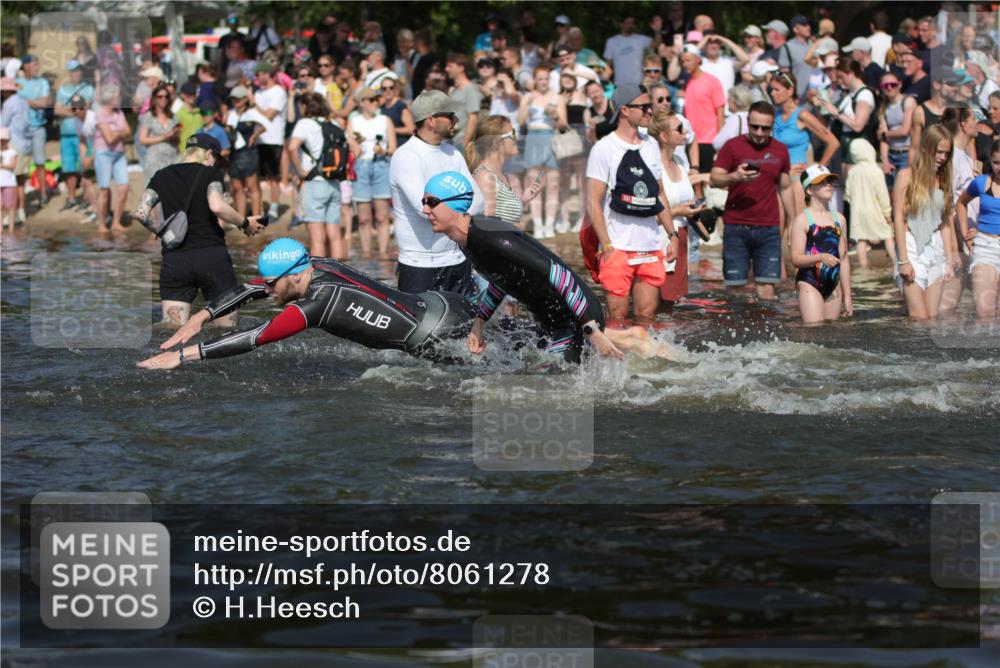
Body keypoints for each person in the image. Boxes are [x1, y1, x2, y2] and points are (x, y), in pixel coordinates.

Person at [137, 238, 477, 370]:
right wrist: (202, 316)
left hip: (439, 336)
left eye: (274, 284)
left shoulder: (317, 304)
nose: (267, 290)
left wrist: (182, 356)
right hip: (442, 304)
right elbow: (249, 287)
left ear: (295, 276)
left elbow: (256, 336)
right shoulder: (316, 263)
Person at [422, 171, 656, 363]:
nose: (425, 210)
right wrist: (478, 325)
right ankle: (631, 338)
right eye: (424, 202)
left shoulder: (489, 237)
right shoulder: (467, 240)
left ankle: (616, 341)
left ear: (456, 204)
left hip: (575, 317)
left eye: (432, 202)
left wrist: (591, 330)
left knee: (550, 383)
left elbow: (559, 274)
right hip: (550, 320)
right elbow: (501, 279)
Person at [133, 134, 265, 326]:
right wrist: (244, 223)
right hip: (212, 257)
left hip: (175, 261)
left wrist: (161, 231)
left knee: (172, 330)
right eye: (217, 159)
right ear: (208, 154)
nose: (216, 164)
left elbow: (140, 213)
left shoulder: (162, 175)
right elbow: (217, 206)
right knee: (225, 332)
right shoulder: (211, 174)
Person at [586, 84, 680, 324]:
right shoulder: (604, 148)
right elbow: (593, 203)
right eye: (645, 106)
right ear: (625, 110)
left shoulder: (650, 146)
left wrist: (672, 236)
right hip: (617, 247)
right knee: (616, 319)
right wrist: (606, 246)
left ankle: (644, 363)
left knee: (647, 318)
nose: (651, 111)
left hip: (649, 246)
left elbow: (659, 195)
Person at [389, 89, 484, 295]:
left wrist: (448, 209)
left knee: (466, 327)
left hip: (458, 258)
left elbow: (478, 201)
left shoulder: (453, 153)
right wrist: (460, 212)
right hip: (419, 264)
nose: (455, 120)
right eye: (449, 116)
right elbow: (424, 209)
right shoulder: (406, 156)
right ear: (431, 120)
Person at [710, 101, 796, 300]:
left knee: (767, 288)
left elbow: (785, 187)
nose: (759, 132)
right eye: (754, 126)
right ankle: (737, 327)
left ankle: (765, 330)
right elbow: (714, 179)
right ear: (747, 122)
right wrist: (734, 177)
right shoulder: (732, 146)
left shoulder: (780, 150)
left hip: (769, 228)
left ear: (772, 126)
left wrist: (792, 221)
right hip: (736, 227)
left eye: (765, 128)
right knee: (735, 288)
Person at [892, 125, 959, 320]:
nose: (942, 158)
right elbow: (898, 218)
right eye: (938, 152)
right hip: (912, 247)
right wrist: (903, 261)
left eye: (946, 153)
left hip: (936, 248)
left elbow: (945, 223)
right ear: (925, 148)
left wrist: (948, 260)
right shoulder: (906, 177)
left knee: (932, 317)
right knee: (919, 317)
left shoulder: (943, 178)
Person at [648, 109, 709, 309]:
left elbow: (684, 202)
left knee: (671, 305)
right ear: (664, 136)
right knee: (654, 306)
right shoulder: (652, 166)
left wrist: (694, 211)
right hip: (659, 241)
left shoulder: (681, 164)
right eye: (680, 129)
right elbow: (645, 216)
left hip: (681, 238)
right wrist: (678, 211)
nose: (685, 132)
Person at [790, 164, 853, 323]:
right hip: (809, 282)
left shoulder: (840, 219)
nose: (829, 184)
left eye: (830, 180)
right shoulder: (802, 220)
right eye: (822, 182)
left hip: (834, 285)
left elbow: (844, 260)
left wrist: (848, 296)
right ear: (809, 190)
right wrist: (820, 257)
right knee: (814, 331)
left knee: (831, 334)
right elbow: (796, 259)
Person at [769, 71, 840, 211]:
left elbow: (833, 142)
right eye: (772, 89)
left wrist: (816, 171)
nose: (772, 93)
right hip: (778, 178)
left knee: (796, 226)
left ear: (790, 90)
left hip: (796, 180)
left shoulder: (802, 115)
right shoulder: (775, 115)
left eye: (776, 89)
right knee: (780, 230)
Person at [467, 115, 541, 232]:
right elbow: (486, 225)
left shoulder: (500, 175)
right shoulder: (485, 176)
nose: (516, 138)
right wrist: (516, 228)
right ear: (496, 143)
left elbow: (501, 215)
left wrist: (523, 200)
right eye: (512, 134)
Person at [939, 107, 980, 316]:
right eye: (974, 118)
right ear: (964, 124)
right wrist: (955, 241)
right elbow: (947, 199)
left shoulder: (964, 156)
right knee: (954, 289)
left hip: (970, 231)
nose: (978, 122)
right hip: (958, 232)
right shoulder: (953, 157)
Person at [349, 87, 397, 260]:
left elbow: (393, 148)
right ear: (362, 103)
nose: (375, 103)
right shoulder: (353, 122)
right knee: (363, 218)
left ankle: (383, 255)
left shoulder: (385, 120)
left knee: (383, 216)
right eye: (371, 100)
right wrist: (356, 148)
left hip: (381, 165)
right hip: (361, 167)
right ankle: (366, 255)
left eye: (376, 99)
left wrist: (382, 150)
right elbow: (351, 148)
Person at [956, 143, 1000, 320]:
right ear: (990, 160)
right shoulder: (981, 183)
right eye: (997, 162)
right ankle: (984, 348)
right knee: (985, 313)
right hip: (986, 248)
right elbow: (961, 203)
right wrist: (966, 233)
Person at [518, 66, 560, 238]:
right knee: (534, 184)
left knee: (553, 184)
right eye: (540, 78)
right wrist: (527, 104)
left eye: (546, 78)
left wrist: (555, 115)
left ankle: (549, 223)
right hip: (533, 138)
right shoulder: (528, 97)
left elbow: (563, 124)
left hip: (551, 137)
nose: (543, 82)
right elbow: (521, 121)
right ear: (535, 80)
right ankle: (538, 224)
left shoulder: (557, 97)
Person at [844, 139, 895, 269]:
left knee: (861, 240)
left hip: (858, 213)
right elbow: (882, 194)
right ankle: (896, 263)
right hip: (875, 211)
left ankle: (864, 267)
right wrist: (887, 212)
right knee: (888, 235)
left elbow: (848, 194)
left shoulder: (852, 172)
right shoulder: (875, 171)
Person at [248, 61, 287, 221]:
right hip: (258, 140)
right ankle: (259, 210)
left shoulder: (279, 92)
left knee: (272, 177)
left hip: (273, 139)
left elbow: (269, 115)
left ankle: (274, 209)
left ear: (268, 74)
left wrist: (253, 103)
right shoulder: (258, 93)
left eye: (260, 74)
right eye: (256, 75)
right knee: (256, 177)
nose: (258, 77)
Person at [55, 60, 94, 211]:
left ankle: (85, 198)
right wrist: (76, 111)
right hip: (66, 135)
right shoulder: (63, 89)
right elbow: (57, 111)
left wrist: (67, 109)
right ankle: (71, 198)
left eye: (77, 70)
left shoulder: (88, 89)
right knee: (68, 167)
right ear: (69, 73)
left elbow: (87, 108)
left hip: (83, 135)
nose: (75, 73)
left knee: (84, 166)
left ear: (81, 72)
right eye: (72, 71)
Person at [819, 60, 875, 165]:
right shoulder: (850, 94)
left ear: (851, 74)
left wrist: (836, 113)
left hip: (856, 145)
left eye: (841, 77)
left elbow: (858, 126)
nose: (839, 81)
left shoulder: (864, 95)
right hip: (846, 143)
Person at [680, 45, 725, 175]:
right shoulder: (686, 82)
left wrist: (720, 142)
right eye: (683, 61)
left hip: (709, 140)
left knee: (707, 181)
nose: (685, 64)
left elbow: (720, 114)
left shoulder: (712, 81)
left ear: (698, 59)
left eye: (688, 60)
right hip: (690, 139)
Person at [93, 85, 131, 233]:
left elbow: (129, 131)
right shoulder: (100, 114)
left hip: (119, 154)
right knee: (104, 189)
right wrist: (120, 132)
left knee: (124, 187)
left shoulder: (119, 112)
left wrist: (116, 133)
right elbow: (109, 139)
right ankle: (101, 224)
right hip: (104, 153)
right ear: (110, 98)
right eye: (117, 97)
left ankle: (116, 222)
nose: (120, 99)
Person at [555, 70, 589, 233]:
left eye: (570, 78)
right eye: (564, 77)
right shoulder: (558, 97)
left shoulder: (582, 93)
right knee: (564, 183)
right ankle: (565, 218)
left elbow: (594, 77)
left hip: (581, 139)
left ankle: (582, 218)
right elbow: (559, 122)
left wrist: (571, 69)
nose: (567, 80)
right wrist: (561, 104)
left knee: (582, 183)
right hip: (564, 140)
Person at [225, 85, 266, 217]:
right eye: (233, 99)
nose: (235, 102)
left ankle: (255, 217)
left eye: (237, 99)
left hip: (249, 152)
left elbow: (265, 125)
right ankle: (241, 218)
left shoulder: (252, 113)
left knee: (251, 185)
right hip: (234, 153)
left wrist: (255, 135)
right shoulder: (230, 113)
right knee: (237, 187)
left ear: (244, 99)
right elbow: (227, 129)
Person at [17, 55, 51, 205]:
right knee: (21, 164)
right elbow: (16, 103)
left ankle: (43, 194)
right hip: (21, 130)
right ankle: (21, 198)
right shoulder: (17, 83)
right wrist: (34, 102)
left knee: (40, 162)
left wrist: (26, 101)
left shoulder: (43, 82)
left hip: (38, 127)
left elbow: (44, 103)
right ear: (25, 66)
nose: (37, 66)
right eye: (34, 64)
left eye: (38, 64)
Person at [877, 71, 916, 191]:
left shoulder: (908, 101)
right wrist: (885, 160)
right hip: (891, 154)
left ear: (899, 84)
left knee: (905, 192)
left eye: (892, 84)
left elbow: (905, 131)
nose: (889, 87)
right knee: (891, 191)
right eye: (885, 85)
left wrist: (884, 134)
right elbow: (883, 140)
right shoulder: (884, 107)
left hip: (907, 153)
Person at [0, 76, 30, 223]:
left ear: (6, 91)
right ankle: (20, 210)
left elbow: (2, 124)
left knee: (11, 179)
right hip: (25, 143)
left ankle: (9, 213)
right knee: (21, 180)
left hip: (13, 143)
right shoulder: (24, 102)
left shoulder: (8, 104)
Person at [138, 82, 180, 186]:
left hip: (172, 159)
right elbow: (142, 139)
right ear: (155, 98)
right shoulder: (149, 116)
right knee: (154, 193)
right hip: (154, 161)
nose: (164, 99)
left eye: (166, 96)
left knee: (172, 192)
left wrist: (174, 136)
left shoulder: (173, 117)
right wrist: (163, 137)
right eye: (160, 96)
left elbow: (177, 141)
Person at [602, 14, 653, 88]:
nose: (631, 25)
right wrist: (603, 81)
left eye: (632, 23)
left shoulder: (640, 39)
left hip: (639, 84)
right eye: (628, 23)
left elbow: (655, 44)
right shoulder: (612, 41)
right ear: (621, 24)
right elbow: (608, 65)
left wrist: (658, 32)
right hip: (620, 85)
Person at [444, 53, 481, 149]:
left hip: (461, 143)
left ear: (461, 68)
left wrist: (464, 144)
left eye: (450, 66)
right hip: (451, 142)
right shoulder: (454, 90)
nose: (446, 69)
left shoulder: (470, 89)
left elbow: (473, 118)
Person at [713, 85, 753, 151]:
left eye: (728, 99)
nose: (727, 102)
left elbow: (718, 143)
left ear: (736, 102)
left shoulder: (735, 119)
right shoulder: (754, 116)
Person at [380, 77, 415, 145]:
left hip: (402, 146)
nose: (388, 90)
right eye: (384, 88)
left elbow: (411, 129)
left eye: (391, 87)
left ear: (395, 89)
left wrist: (392, 130)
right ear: (381, 90)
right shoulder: (382, 107)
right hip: (388, 148)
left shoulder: (400, 105)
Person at [175, 81, 204, 150]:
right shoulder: (179, 114)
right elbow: (177, 134)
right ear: (182, 95)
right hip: (185, 151)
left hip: (201, 150)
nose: (192, 96)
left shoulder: (201, 111)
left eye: (194, 94)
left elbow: (212, 114)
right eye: (189, 94)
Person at [0, 127, 15, 229]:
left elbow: (13, 165)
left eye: (3, 140)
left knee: (9, 205)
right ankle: (0, 227)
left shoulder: (12, 152)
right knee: (0, 205)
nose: (2, 142)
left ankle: (11, 227)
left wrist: (2, 166)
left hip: (9, 182)